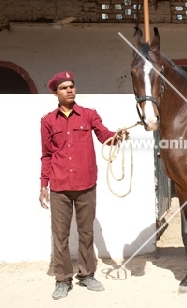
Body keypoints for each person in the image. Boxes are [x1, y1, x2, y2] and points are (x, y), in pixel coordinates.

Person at [39, 71, 127, 300]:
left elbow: (104, 134)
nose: (69, 90)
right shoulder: (48, 121)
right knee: (60, 236)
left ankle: (87, 275)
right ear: (55, 93)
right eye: (63, 87)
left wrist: (117, 136)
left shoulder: (89, 115)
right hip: (59, 186)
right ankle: (62, 279)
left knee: (86, 233)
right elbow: (46, 155)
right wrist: (43, 186)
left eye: (72, 86)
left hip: (86, 184)